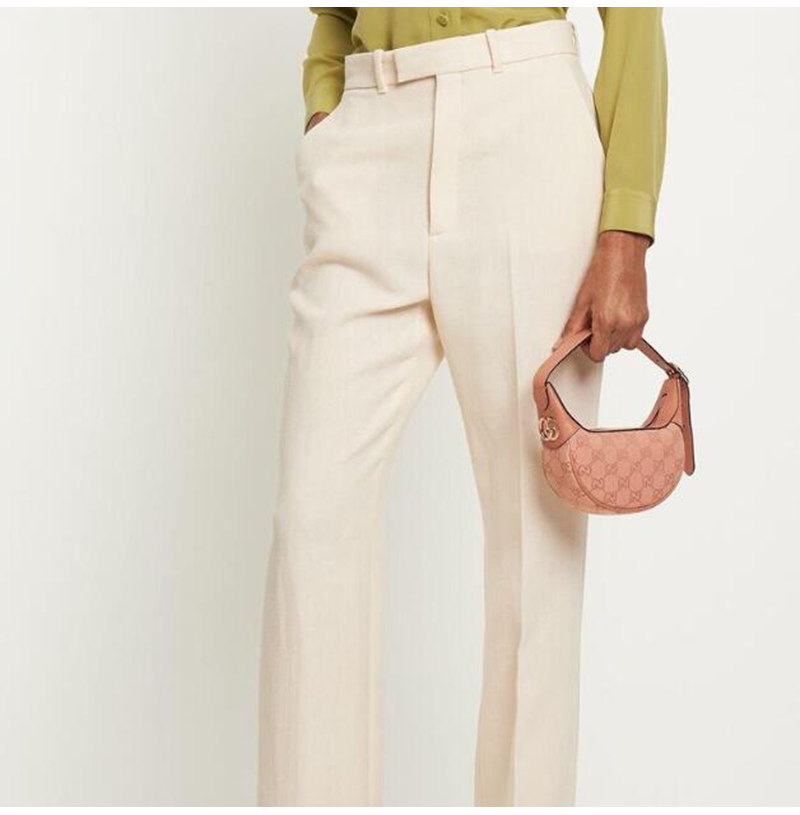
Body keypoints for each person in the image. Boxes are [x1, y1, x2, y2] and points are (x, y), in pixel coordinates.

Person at [259, 7, 666, 807]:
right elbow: (334, 19)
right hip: (369, 139)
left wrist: (626, 224)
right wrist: (324, 106)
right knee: (313, 520)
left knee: (536, 553)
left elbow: (636, 16)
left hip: (525, 130)